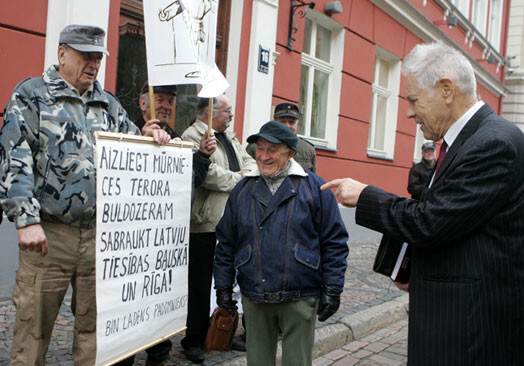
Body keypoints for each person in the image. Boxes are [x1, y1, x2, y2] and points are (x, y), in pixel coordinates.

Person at [322, 42, 524, 365]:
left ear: (446, 89)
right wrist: (410, 265)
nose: (409, 112)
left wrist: (364, 196)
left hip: (469, 333)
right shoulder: (466, 141)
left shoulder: (493, 143)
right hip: (449, 320)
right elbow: (452, 219)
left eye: (414, 100)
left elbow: (432, 221)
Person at [0, 24, 172, 365]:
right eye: (85, 56)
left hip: (100, 241)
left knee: (97, 338)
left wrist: (147, 137)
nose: (93, 64)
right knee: (32, 334)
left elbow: (130, 154)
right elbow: (13, 158)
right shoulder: (31, 96)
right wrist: (25, 221)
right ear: (62, 53)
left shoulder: (108, 105)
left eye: (98, 57)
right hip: (49, 236)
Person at [213, 121, 348, 366]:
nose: (263, 156)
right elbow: (226, 243)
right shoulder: (242, 190)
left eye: (272, 150)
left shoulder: (315, 188)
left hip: (299, 294)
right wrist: (223, 286)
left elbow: (334, 241)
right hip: (255, 294)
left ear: (290, 153)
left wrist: (333, 288)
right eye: (260, 149)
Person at [115, 84, 216, 366]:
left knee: (158, 314)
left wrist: (203, 156)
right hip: (134, 243)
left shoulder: (174, 137)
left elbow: (189, 180)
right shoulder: (127, 131)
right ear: (143, 102)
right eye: (159, 99)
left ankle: (157, 356)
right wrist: (140, 137)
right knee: (131, 310)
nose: (166, 105)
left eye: (170, 101)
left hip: (164, 244)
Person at [180, 94, 256, 363]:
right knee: (200, 286)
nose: (231, 115)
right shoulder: (191, 136)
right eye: (227, 110)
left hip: (231, 222)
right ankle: (194, 339)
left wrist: (244, 175)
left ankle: (222, 333)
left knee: (226, 283)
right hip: (204, 224)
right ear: (209, 112)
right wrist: (239, 180)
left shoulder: (230, 137)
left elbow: (251, 163)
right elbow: (206, 174)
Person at [246, 102, 316, 172]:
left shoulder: (308, 150)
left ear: (297, 123)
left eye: (291, 122)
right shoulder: (255, 147)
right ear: (274, 121)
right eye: (283, 121)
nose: (287, 126)